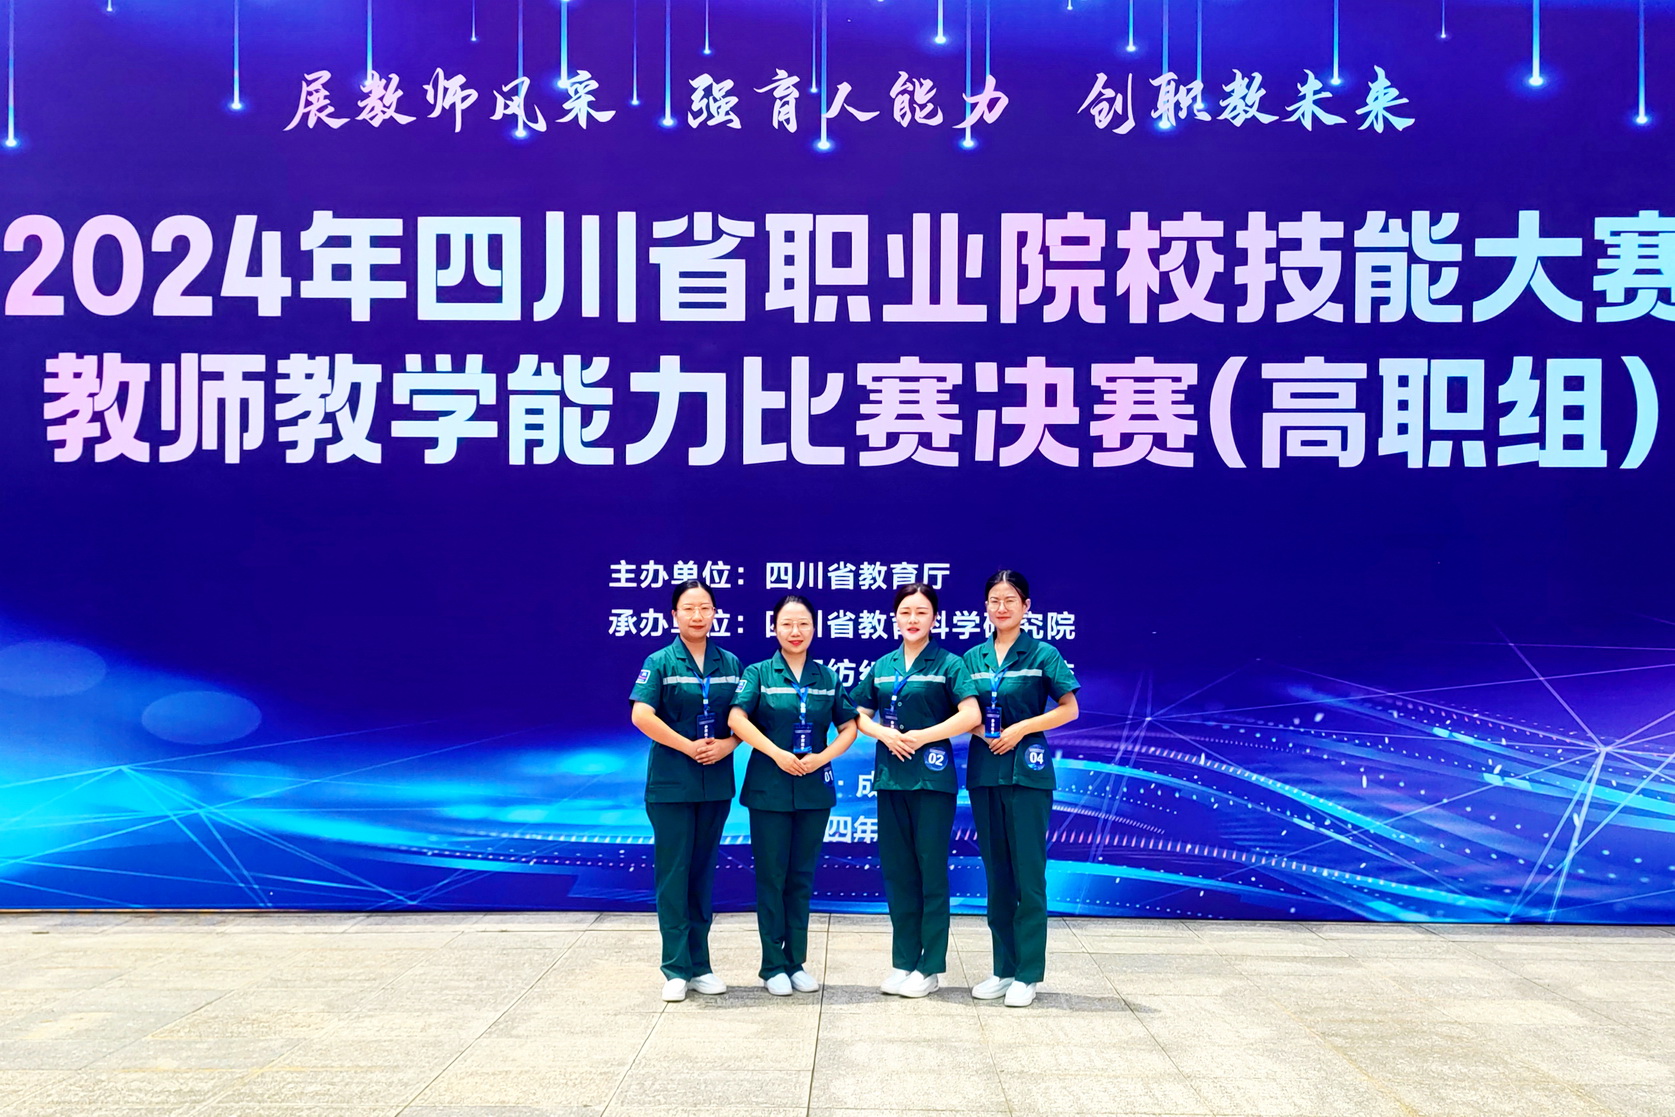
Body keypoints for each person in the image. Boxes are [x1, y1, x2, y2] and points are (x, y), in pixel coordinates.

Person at [851, 582, 981, 998]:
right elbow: (856, 714)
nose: (913, 619)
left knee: (930, 872)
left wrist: (923, 736)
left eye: (921, 612)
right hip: (891, 778)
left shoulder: (949, 664)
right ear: (895, 617)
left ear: (934, 618)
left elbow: (970, 714)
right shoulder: (883, 665)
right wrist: (884, 734)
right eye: (905, 612)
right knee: (898, 872)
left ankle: (930, 967)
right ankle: (904, 961)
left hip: (932, 780)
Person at [728, 594, 859, 996]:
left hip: (813, 790)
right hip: (769, 788)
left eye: (803, 623)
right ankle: (772, 965)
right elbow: (736, 718)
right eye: (787, 624)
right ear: (774, 628)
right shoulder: (758, 673)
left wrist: (823, 757)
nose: (795, 631)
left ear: (814, 628)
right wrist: (776, 752)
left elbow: (849, 726)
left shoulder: (827, 677)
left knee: (801, 877)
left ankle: (796, 962)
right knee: (772, 877)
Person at [962, 570, 1080, 1008]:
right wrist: (982, 732)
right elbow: (963, 712)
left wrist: (1021, 728)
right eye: (994, 600)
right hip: (985, 771)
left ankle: (1027, 974)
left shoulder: (1043, 653)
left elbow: (1069, 708)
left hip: (1028, 772)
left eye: (1010, 599)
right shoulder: (971, 658)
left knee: (1028, 874)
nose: (1002, 607)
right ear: (986, 607)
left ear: (1026, 606)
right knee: (997, 875)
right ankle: (1003, 969)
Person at [628, 579, 743, 1003]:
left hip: (714, 784)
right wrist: (687, 746)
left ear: (715, 613)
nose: (698, 616)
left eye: (705, 608)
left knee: (702, 873)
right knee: (674, 874)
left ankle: (702, 965)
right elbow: (642, 715)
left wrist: (729, 744)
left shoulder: (730, 662)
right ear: (674, 615)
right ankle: (676, 967)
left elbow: (745, 716)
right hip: (672, 784)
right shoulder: (659, 661)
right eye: (689, 608)